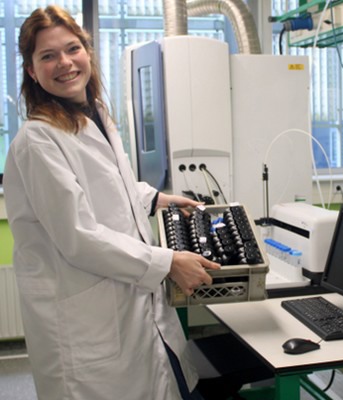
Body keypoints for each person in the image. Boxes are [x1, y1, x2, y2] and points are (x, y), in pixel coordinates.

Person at [3, 5, 220, 400]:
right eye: (48, 56)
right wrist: (168, 262)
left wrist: (156, 198)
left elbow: (110, 184)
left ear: (88, 51)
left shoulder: (95, 114)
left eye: (72, 49)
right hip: (85, 320)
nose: (65, 63)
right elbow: (78, 235)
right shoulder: (37, 141)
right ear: (32, 71)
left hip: (128, 302)